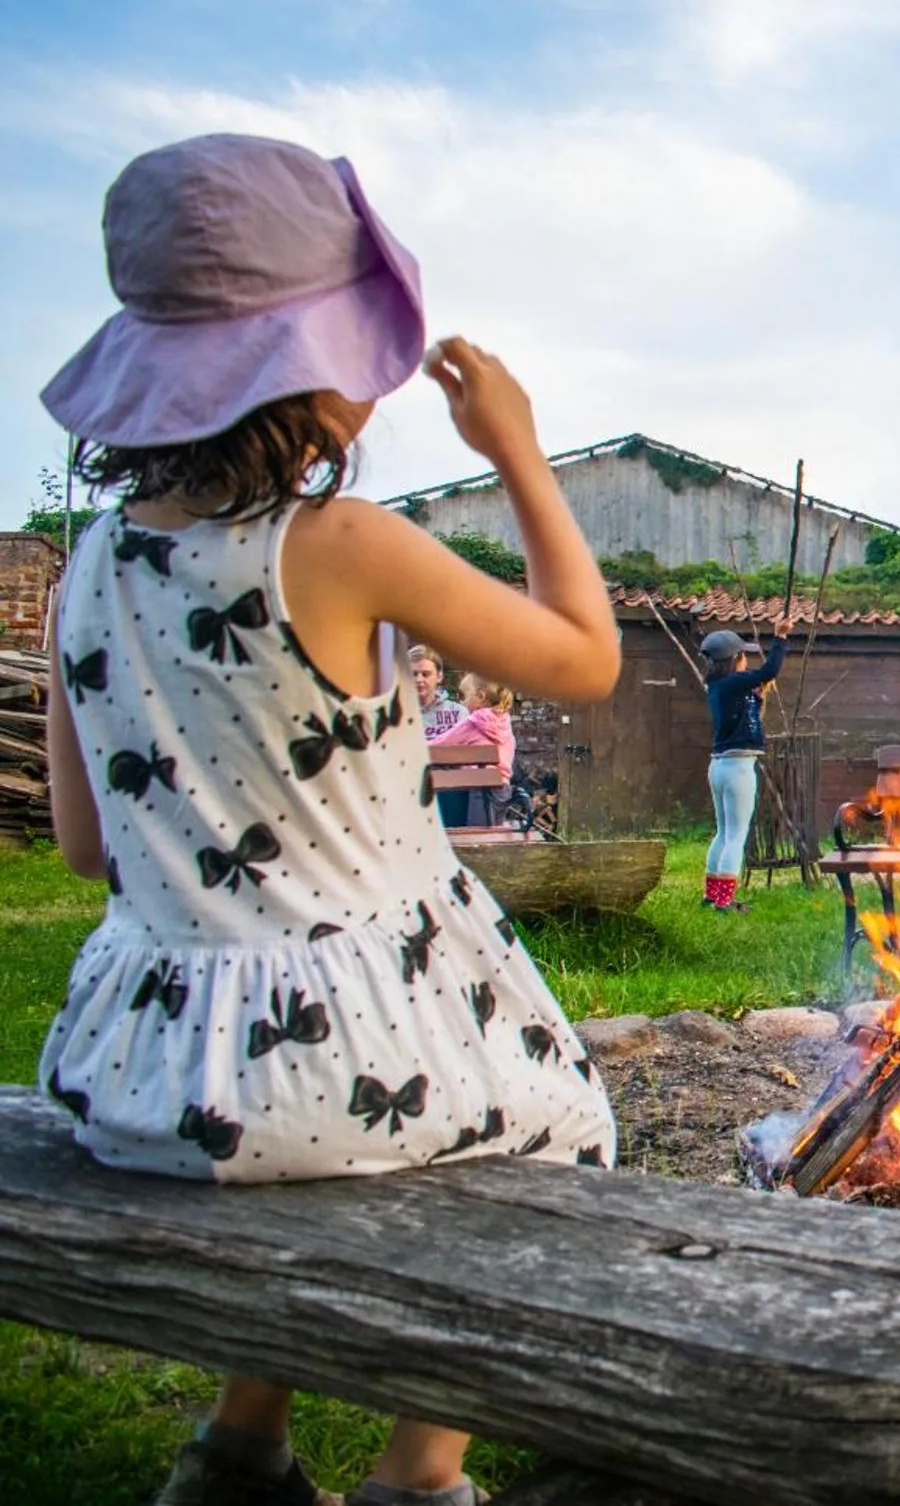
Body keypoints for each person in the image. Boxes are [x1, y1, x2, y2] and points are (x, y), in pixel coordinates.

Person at [36, 132, 618, 1506]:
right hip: (356, 1037)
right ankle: (420, 1470)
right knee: (549, 1125)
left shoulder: (88, 566)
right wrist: (519, 452)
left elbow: (81, 843)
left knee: (308, 1129)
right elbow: (585, 657)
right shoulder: (340, 543)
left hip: (147, 1067)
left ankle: (239, 1444)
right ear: (313, 371)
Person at [700, 627, 786, 912]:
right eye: (743, 655)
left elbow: (746, 709)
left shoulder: (719, 686)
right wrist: (781, 637)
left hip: (720, 765)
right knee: (736, 835)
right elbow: (771, 668)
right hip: (738, 767)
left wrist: (759, 694)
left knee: (723, 833)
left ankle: (712, 895)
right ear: (736, 658)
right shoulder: (732, 683)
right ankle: (725, 902)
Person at [433, 674, 516, 829]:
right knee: (491, 838)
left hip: (480, 792)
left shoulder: (475, 721)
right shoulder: (504, 720)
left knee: (478, 838)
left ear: (480, 697)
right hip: (503, 790)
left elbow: (441, 744)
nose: (462, 702)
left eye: (464, 696)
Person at [408, 645, 466, 739]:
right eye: (414, 674)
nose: (419, 679)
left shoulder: (458, 713)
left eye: (425, 674)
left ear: (439, 676)